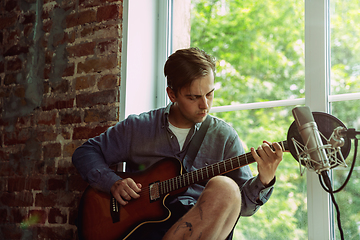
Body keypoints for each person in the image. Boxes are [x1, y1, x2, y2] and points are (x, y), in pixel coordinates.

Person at [72, 47, 283, 240]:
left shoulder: (224, 136)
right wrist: (112, 182)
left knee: (226, 187)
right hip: (146, 231)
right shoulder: (138, 127)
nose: (205, 105)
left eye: (209, 94)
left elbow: (242, 207)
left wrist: (264, 179)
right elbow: (85, 153)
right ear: (172, 94)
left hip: (201, 229)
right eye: (193, 97)